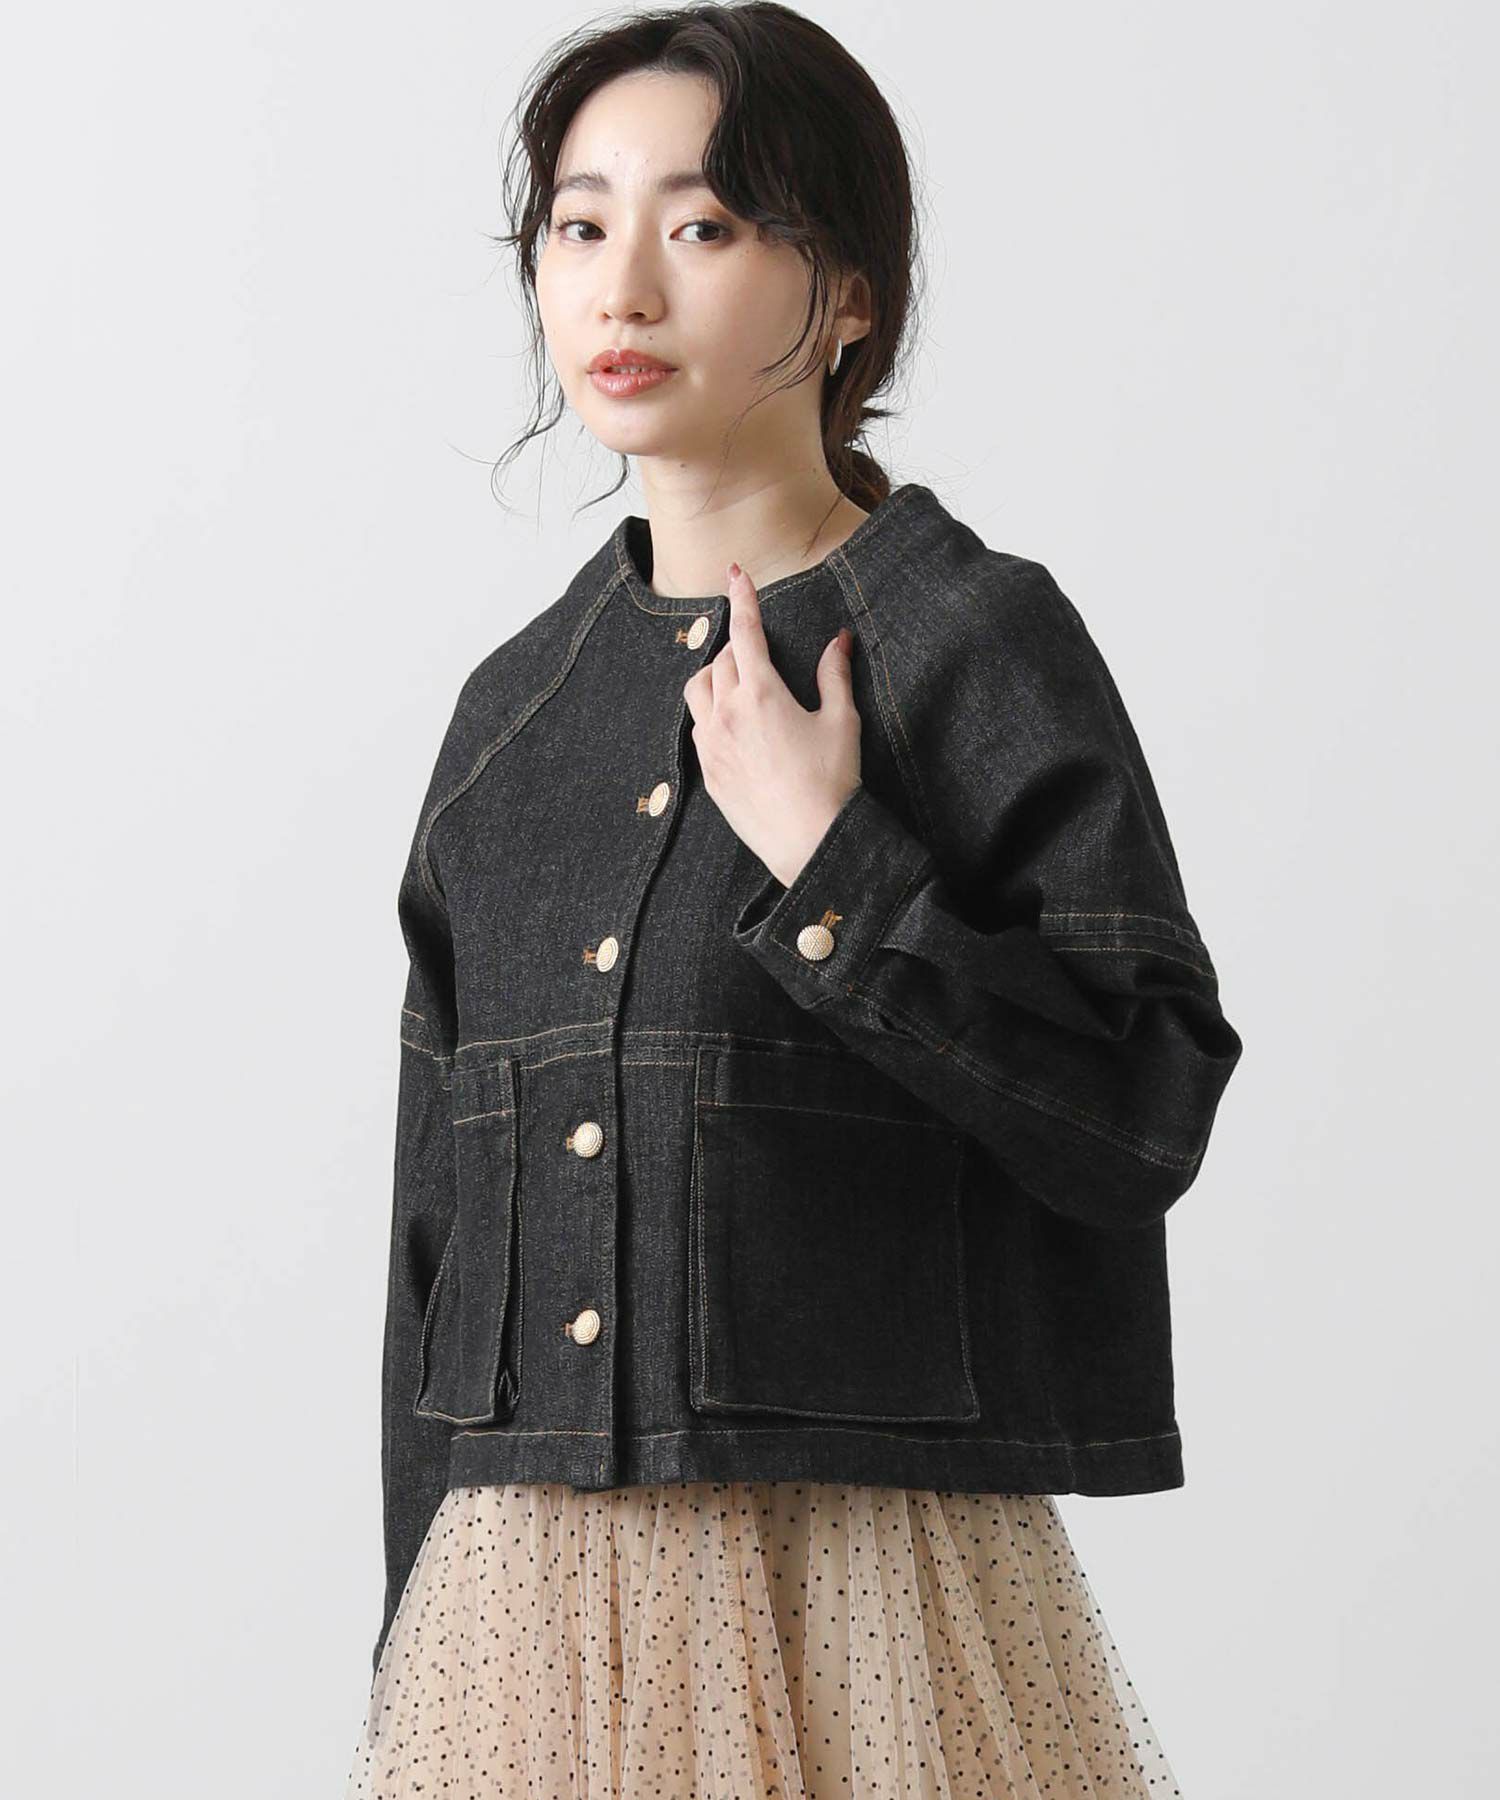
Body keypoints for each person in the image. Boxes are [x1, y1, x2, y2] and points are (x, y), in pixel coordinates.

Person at [345, 5, 1244, 1794]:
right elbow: (432, 1245)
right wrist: (405, 1654)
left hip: (874, 1608)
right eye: (579, 225)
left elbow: (1142, 1115)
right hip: (519, 1627)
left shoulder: (969, 641)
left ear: (845, 294)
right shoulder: (510, 723)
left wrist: (837, 864)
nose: (622, 287)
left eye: (701, 224)